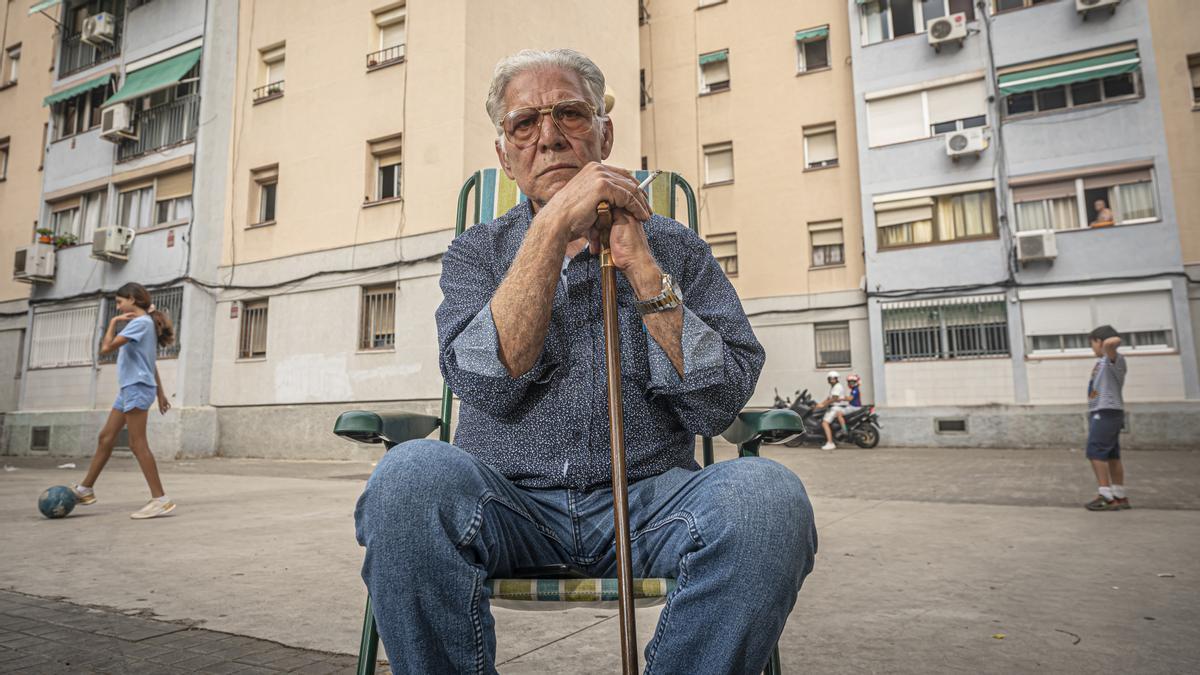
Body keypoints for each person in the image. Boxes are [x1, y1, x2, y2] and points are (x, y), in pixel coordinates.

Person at [354, 49, 816, 674]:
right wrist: (548, 231)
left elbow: (720, 399)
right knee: (408, 478)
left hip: (653, 504)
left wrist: (644, 269)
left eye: (570, 114)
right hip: (506, 503)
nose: (549, 138)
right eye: (524, 124)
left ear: (605, 132)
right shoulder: (477, 252)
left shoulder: (675, 246)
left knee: (768, 498)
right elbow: (484, 381)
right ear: (505, 156)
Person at [71, 283, 176, 519]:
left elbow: (105, 348)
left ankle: (160, 499)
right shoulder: (143, 324)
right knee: (106, 437)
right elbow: (149, 362)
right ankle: (85, 489)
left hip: (137, 387)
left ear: (132, 299)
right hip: (131, 387)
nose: (118, 307)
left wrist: (111, 323)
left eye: (119, 302)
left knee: (137, 444)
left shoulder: (138, 324)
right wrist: (160, 393)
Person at [1084, 324, 1129, 511]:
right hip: (1105, 411)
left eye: (1092, 343)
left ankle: (1106, 496)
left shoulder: (1114, 359)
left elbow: (1113, 341)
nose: (1092, 348)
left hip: (1106, 411)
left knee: (1095, 452)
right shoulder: (1103, 362)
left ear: (1099, 342)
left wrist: (1106, 343)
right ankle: (1119, 495)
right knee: (1111, 455)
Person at [833, 373, 863, 440]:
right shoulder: (854, 389)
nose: (850, 383)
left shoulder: (855, 390)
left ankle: (844, 430)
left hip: (854, 407)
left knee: (838, 414)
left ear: (856, 382)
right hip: (853, 406)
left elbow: (850, 398)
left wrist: (841, 398)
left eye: (852, 382)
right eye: (849, 382)